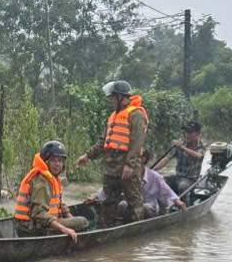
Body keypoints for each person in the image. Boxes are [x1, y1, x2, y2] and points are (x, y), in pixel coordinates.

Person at [76, 80, 148, 223]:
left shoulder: (136, 115)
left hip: (126, 165)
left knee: (134, 201)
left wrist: (130, 165)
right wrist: (87, 156)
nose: (111, 101)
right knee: (108, 200)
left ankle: (136, 233)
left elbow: (136, 143)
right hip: (111, 166)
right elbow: (103, 142)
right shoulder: (113, 116)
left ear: (121, 97)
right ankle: (107, 228)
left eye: (112, 98)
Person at [14, 141, 89, 241]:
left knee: (76, 221)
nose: (57, 164)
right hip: (33, 229)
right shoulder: (42, 182)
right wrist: (64, 229)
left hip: (34, 225)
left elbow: (59, 204)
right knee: (83, 222)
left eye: (60, 160)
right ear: (46, 162)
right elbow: (38, 214)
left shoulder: (52, 178)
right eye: (53, 160)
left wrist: (70, 218)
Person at [91, 148, 187, 218]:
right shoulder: (125, 174)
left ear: (143, 159)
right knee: (122, 204)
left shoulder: (154, 176)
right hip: (132, 206)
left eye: (134, 157)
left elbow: (167, 191)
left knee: (145, 207)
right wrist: (96, 196)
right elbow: (110, 188)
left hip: (149, 207)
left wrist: (178, 202)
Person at [158, 121, 205, 196]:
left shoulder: (201, 146)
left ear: (197, 134)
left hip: (191, 179)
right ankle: (164, 204)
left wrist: (182, 148)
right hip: (178, 177)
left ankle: (184, 205)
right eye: (186, 132)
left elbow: (198, 156)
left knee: (183, 186)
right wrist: (152, 169)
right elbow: (166, 159)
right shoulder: (180, 145)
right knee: (160, 182)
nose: (187, 135)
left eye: (190, 133)